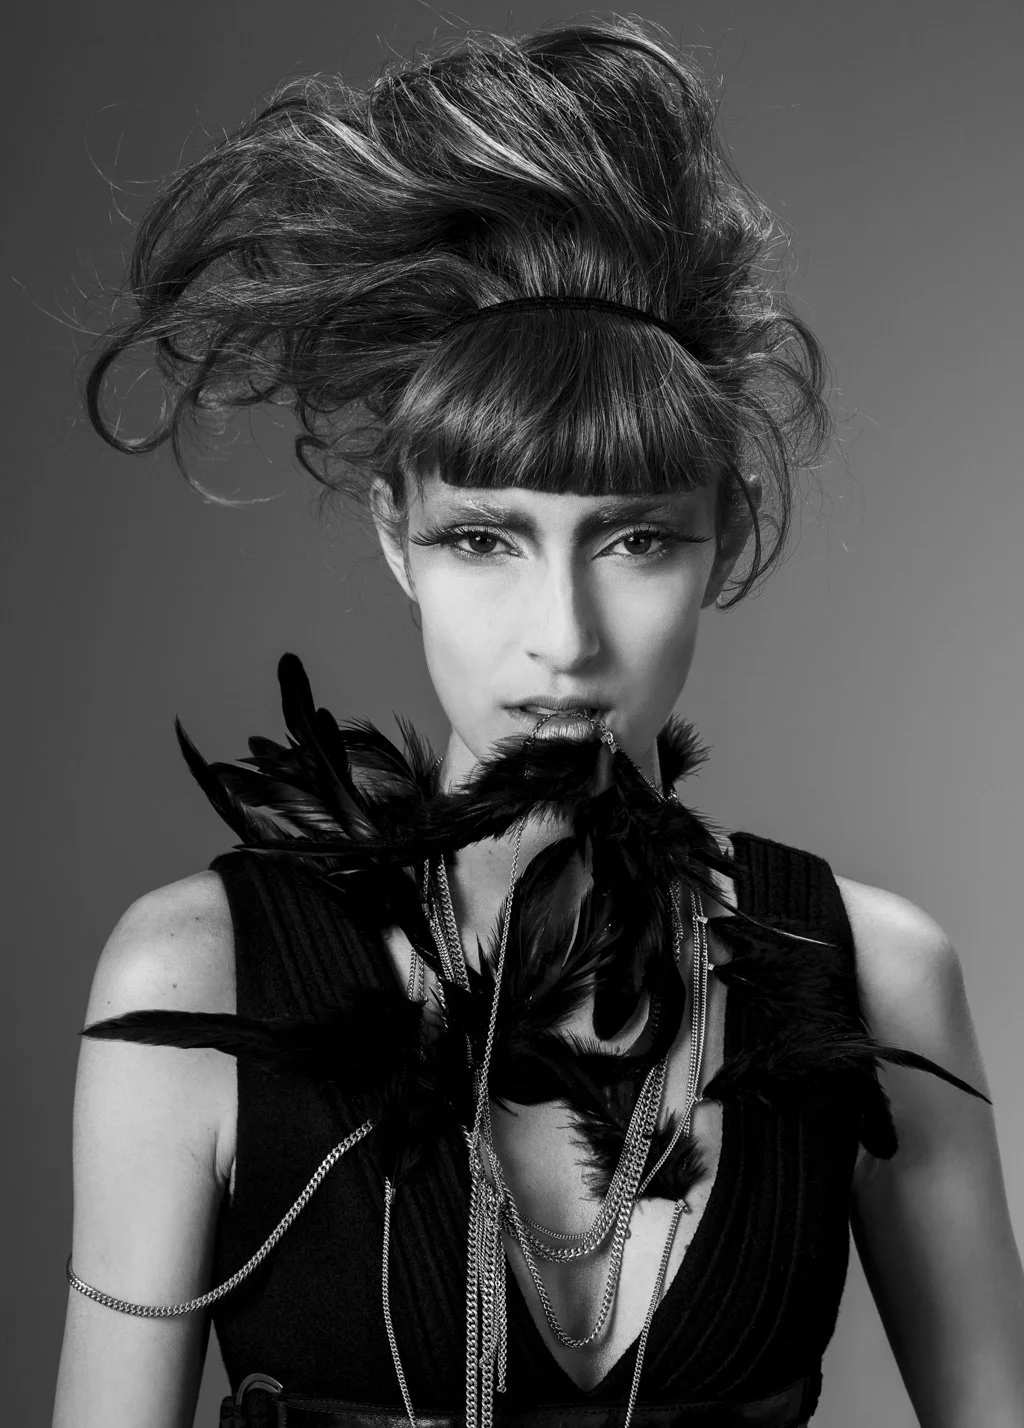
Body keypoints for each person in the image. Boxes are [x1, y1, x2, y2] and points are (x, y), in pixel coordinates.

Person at [53, 14, 1024, 1428]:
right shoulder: (199, 978)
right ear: (397, 537)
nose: (562, 641)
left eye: (635, 542)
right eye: (485, 541)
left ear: (725, 538)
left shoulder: (869, 974)